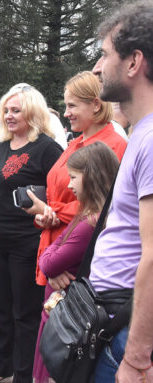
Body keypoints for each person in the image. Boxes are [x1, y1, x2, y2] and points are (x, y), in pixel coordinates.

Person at [0, 84, 63, 383]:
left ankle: (24, 376)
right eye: (6, 111)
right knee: (0, 308)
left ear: (33, 113)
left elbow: (61, 194)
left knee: (25, 313)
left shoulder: (48, 149)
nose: (9, 116)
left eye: (16, 111)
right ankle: (1, 368)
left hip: (29, 242)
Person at [90, 2, 153, 381]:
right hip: (115, 319)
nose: (98, 67)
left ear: (133, 63)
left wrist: (136, 359)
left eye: (104, 55)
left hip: (127, 332)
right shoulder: (140, 134)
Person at [23, 71, 127, 289]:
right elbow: (57, 194)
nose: (66, 113)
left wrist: (52, 211)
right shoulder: (75, 143)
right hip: (57, 251)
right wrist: (46, 216)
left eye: (72, 106)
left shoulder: (114, 146)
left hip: (77, 258)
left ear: (96, 105)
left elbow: (104, 206)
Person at [32, 142, 120, 383]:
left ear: (91, 177)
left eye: (73, 177)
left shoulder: (87, 223)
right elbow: (52, 253)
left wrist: (50, 264)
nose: (69, 185)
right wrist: (51, 262)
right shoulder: (91, 215)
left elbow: (48, 261)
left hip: (65, 318)